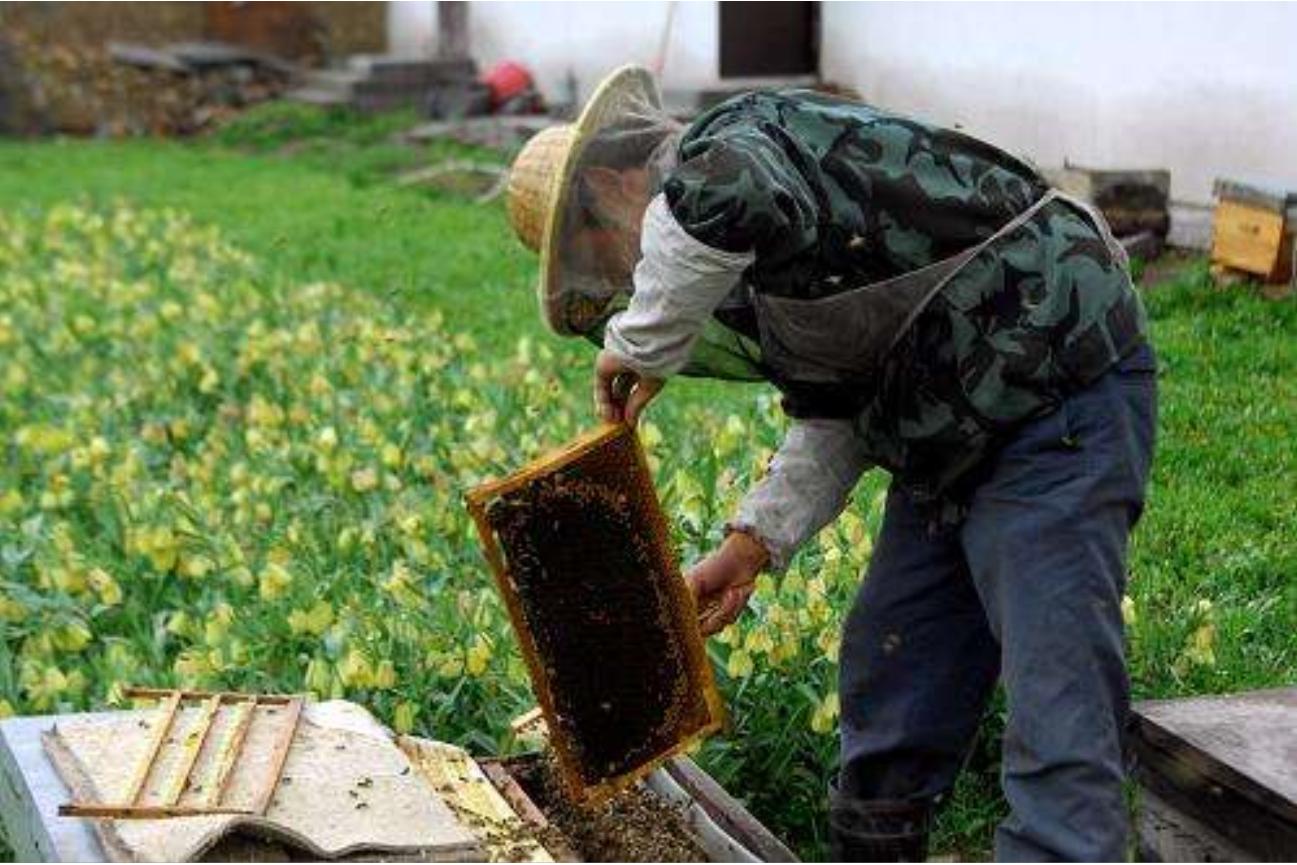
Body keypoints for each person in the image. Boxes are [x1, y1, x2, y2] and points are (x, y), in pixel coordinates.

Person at [505, 66, 1157, 862]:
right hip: (940, 435)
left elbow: (723, 196)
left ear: (612, 183)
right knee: (891, 668)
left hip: (1055, 395)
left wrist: (641, 342)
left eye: (601, 253)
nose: (619, 279)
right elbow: (836, 410)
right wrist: (751, 544)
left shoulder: (738, 142)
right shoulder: (758, 255)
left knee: (1057, 698)